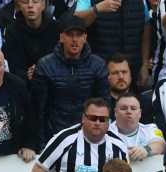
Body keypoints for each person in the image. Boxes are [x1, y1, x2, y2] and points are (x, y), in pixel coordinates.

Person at [32, 97, 128, 172]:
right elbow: (38, 170)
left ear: (109, 121)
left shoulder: (119, 146)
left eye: (103, 119)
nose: (97, 123)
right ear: (83, 118)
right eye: (93, 118)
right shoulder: (64, 139)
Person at [31, 15, 109, 149]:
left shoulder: (98, 65)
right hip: (53, 137)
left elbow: (104, 108)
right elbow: (38, 110)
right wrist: (42, 146)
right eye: (70, 35)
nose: (74, 40)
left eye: (79, 35)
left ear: (85, 38)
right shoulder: (45, 65)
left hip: (87, 138)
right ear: (61, 37)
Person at [0, 0, 60, 80]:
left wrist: (41, 69)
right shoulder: (12, 31)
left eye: (35, 2)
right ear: (20, 6)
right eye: (25, 2)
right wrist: (28, 75)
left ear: (43, 5)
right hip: (24, 84)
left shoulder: (55, 28)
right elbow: (15, 69)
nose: (30, 5)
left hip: (53, 80)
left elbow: (59, 61)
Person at [112, 92, 165, 163]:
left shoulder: (149, 128)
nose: (129, 111)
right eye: (123, 108)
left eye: (133, 109)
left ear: (140, 113)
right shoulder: (106, 131)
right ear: (115, 112)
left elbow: (161, 146)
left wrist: (146, 149)